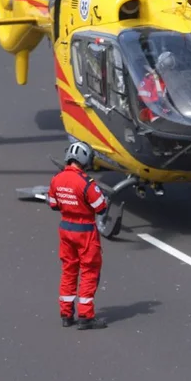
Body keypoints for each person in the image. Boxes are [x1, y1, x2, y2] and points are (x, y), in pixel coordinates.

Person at [47, 141, 109, 330]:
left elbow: (53, 203)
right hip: (85, 231)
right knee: (89, 271)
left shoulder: (56, 179)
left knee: (69, 270)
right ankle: (85, 315)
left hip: (65, 228)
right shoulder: (86, 183)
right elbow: (101, 207)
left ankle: (66, 314)